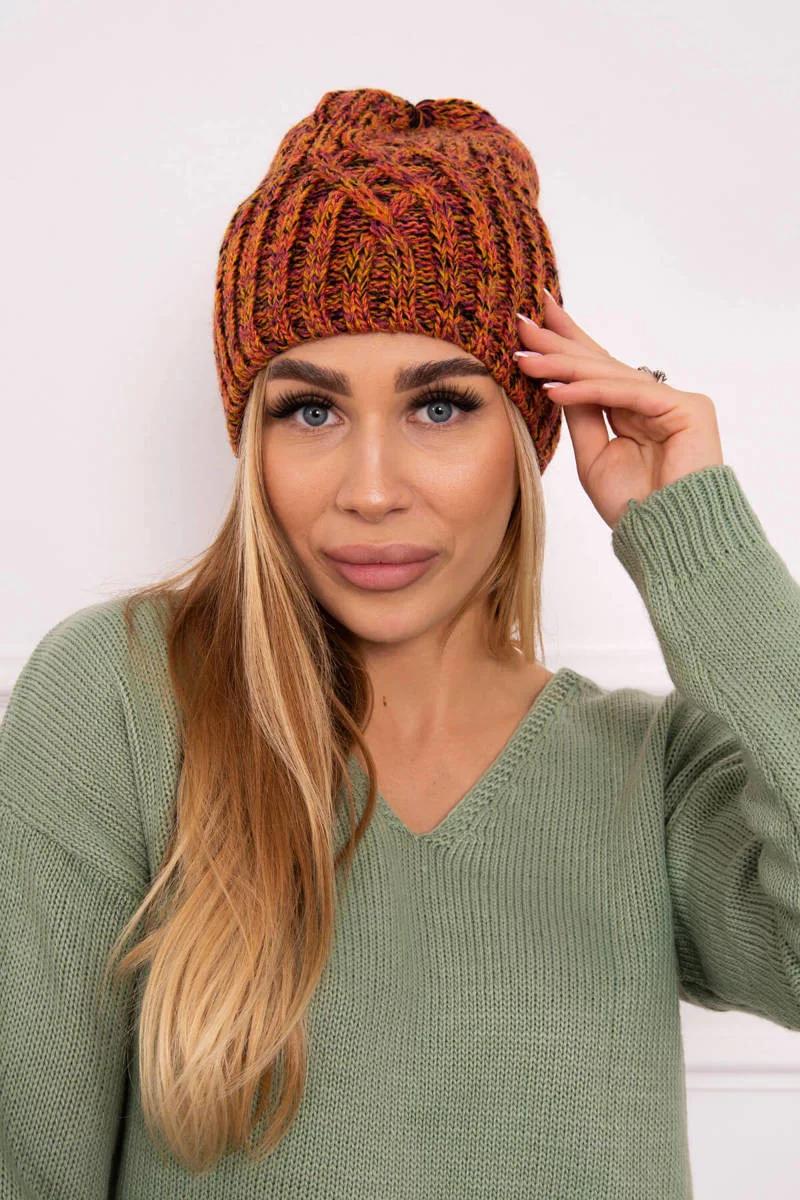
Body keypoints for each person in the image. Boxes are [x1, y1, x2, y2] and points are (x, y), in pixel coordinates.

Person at [2, 86, 799, 1199]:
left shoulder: (653, 774)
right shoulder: (121, 701)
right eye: (311, 411)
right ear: (253, 442)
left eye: (439, 407)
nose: (370, 490)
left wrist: (701, 546)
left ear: (530, 428)